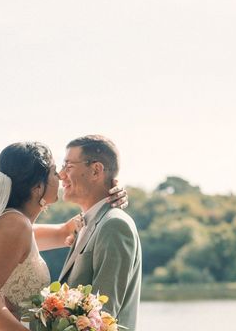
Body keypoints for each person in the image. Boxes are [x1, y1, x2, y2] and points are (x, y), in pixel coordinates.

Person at [0, 141, 127, 331]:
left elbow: (66, 231)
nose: (60, 176)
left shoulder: (19, 226)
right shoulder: (14, 225)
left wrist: (110, 192)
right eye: (53, 171)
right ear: (37, 187)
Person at [58, 135, 142, 330]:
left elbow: (102, 317)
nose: (61, 174)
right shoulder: (86, 223)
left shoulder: (114, 225)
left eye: (68, 166)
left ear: (96, 170)